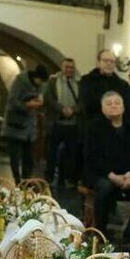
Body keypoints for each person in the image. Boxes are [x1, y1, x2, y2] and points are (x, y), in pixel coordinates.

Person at [83, 91, 130, 238]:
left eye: (117, 103)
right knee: (106, 187)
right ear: (102, 108)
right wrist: (112, 176)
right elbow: (92, 157)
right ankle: (101, 232)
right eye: (109, 103)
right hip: (100, 173)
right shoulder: (93, 127)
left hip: (129, 174)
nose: (114, 106)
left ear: (123, 107)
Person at [1, 65, 48, 184]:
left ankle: (26, 181)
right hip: (15, 124)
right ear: (36, 77)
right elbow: (12, 100)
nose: (41, 84)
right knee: (15, 157)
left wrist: (39, 102)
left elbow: (40, 96)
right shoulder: (21, 81)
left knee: (29, 157)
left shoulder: (40, 85)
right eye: (40, 81)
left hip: (29, 127)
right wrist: (28, 105)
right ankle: (17, 180)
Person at [42, 58, 80, 186]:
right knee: (51, 151)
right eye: (66, 67)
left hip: (72, 123)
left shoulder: (79, 83)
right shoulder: (53, 81)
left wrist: (73, 110)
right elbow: (48, 97)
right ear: (62, 68)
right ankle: (49, 177)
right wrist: (61, 109)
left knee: (70, 153)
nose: (69, 70)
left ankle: (65, 179)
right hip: (56, 122)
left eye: (71, 67)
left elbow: (82, 101)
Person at [78, 50, 130, 133]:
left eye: (112, 61)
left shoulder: (122, 85)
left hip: (115, 128)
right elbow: (86, 104)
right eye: (105, 61)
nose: (109, 64)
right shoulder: (86, 81)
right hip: (92, 127)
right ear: (99, 62)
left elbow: (126, 106)